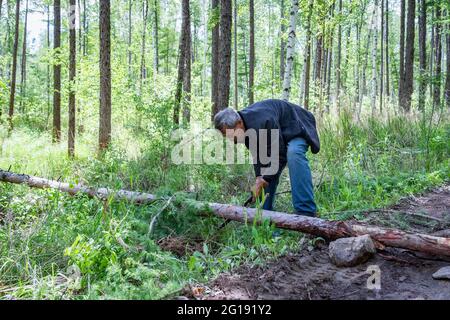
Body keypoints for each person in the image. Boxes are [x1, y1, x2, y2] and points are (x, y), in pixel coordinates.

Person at [214, 99, 320, 217]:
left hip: (296, 127)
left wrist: (265, 179)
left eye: (230, 134)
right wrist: (259, 178)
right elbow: (259, 156)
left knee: (294, 153)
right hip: (279, 134)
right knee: (265, 175)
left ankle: (306, 212)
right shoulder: (246, 129)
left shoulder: (263, 121)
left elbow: (279, 156)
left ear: (239, 123)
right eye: (226, 136)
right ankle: (264, 217)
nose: (231, 139)